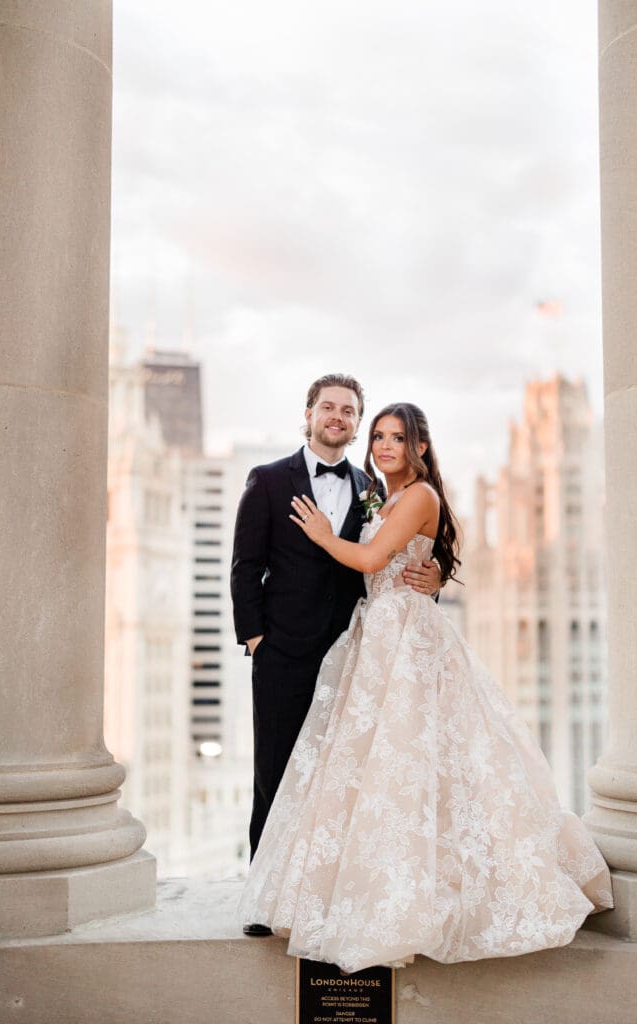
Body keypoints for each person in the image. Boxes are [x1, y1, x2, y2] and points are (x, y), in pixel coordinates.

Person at [238, 402, 614, 972]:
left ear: (420, 446)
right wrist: (256, 636)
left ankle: (425, 899)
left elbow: (370, 557)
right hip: (365, 637)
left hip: (405, 641)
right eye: (379, 437)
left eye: (397, 437)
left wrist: (321, 533)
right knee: (361, 771)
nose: (385, 446)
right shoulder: (375, 491)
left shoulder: (418, 494)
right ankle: (351, 888)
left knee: (417, 761)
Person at [230, 376, 442, 937]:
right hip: (284, 654)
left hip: (356, 655)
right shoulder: (270, 480)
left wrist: (435, 576)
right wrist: (256, 638)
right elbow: (245, 566)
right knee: (275, 774)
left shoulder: (373, 486)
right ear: (308, 413)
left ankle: (319, 895)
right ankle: (262, 899)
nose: (338, 417)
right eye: (329, 407)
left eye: (350, 412)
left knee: (336, 781)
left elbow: (401, 554)